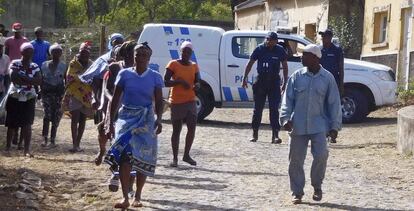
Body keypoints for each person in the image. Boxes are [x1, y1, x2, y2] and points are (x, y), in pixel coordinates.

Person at [279, 44, 342, 204]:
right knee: (295, 160)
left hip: (319, 125)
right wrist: (285, 119)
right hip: (297, 125)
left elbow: (334, 103)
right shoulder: (296, 77)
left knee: (321, 155)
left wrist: (334, 127)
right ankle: (297, 192)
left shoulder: (327, 78)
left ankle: (317, 186)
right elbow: (287, 100)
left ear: (315, 57)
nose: (302, 58)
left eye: (305, 55)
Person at [104, 42, 164, 209]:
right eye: (138, 54)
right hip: (126, 117)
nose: (141, 57)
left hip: (146, 119)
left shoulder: (155, 77)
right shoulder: (124, 75)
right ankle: (125, 197)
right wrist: (110, 122)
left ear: (149, 58)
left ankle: (138, 195)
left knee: (143, 157)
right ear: (133, 56)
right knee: (124, 156)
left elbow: (159, 101)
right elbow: (115, 100)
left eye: (144, 55)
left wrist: (159, 119)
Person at [241, 31, 288, 144]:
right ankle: (255, 133)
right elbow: (250, 63)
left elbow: (285, 67)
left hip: (274, 82)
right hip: (261, 81)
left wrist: (284, 82)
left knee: (274, 109)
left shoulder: (280, 50)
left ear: (276, 41)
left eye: (271, 40)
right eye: (267, 39)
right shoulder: (259, 49)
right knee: (258, 109)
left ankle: (275, 135)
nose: (269, 42)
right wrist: (244, 78)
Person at [164, 41, 200, 167]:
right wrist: (178, 82)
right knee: (177, 130)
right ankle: (175, 158)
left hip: (190, 100)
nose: (186, 53)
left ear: (191, 53)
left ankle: (186, 155)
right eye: (184, 51)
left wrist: (197, 85)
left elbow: (197, 81)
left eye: (188, 51)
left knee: (192, 127)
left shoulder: (194, 66)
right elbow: (166, 82)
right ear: (181, 51)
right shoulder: (173, 64)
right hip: (177, 101)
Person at [5, 43, 41, 156]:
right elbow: (14, 79)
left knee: (27, 123)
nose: (29, 53)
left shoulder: (34, 66)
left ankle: (26, 149)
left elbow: (39, 81)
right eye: (27, 51)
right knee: (11, 123)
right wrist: (30, 80)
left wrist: (24, 78)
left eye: (31, 51)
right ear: (22, 52)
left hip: (29, 97)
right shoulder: (15, 63)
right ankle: (8, 147)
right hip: (14, 95)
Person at [62, 42, 93, 153]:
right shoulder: (73, 63)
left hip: (86, 95)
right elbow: (70, 76)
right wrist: (83, 78)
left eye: (86, 53)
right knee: (75, 118)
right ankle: (74, 144)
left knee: (83, 119)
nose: (84, 55)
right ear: (79, 53)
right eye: (82, 53)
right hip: (75, 93)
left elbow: (93, 76)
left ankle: (78, 143)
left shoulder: (91, 64)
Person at [40, 43, 67, 148]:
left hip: (58, 94)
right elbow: (41, 79)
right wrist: (41, 91)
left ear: (61, 53)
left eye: (58, 52)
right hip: (46, 93)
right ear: (51, 53)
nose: (56, 54)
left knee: (56, 117)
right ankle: (44, 138)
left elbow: (66, 80)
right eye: (54, 52)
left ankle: (53, 139)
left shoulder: (64, 66)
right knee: (47, 115)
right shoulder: (44, 65)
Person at [319, 29, 344, 95]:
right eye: (322, 36)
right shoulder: (319, 49)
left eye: (324, 36)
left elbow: (341, 68)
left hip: (333, 80)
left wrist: (341, 86)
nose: (323, 38)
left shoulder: (337, 50)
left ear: (330, 38)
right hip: (320, 81)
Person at [0, 36, 10, 100]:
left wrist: (7, 90)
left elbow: (7, 75)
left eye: (0, 47)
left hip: (1, 88)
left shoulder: (6, 58)